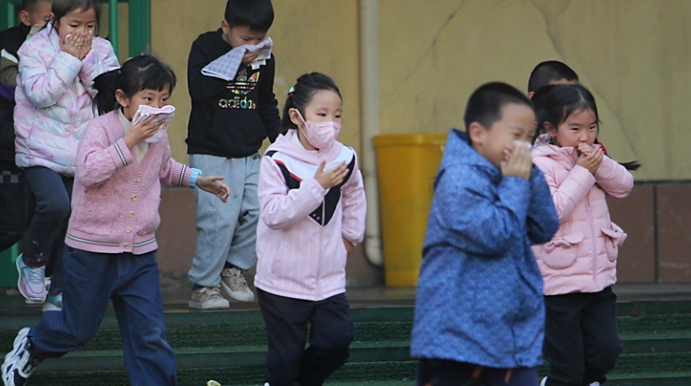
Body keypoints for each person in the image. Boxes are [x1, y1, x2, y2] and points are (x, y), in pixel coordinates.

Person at [1, 54, 231, 386]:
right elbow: (91, 171)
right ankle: (33, 344)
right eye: (148, 99)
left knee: (149, 335)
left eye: (164, 99)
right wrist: (129, 141)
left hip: (139, 255)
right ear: (123, 99)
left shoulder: (158, 136)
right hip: (91, 253)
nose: (158, 107)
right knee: (76, 329)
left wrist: (198, 179)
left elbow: (163, 168)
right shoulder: (100, 129)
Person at [410, 82, 560, 386]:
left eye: (528, 138)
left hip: (509, 336)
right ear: (478, 133)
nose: (524, 147)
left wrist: (530, 177)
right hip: (459, 340)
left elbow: (544, 227)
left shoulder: (512, 176)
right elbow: (496, 234)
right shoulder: (458, 179)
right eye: (515, 136)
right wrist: (516, 182)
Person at [254, 72, 366, 386]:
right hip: (282, 283)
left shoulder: (345, 157)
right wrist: (317, 185)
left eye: (337, 115)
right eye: (322, 114)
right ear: (297, 116)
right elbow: (275, 214)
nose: (331, 122)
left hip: (328, 280)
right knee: (285, 360)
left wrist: (350, 236)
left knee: (337, 342)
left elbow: (355, 192)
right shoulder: (276, 160)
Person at [12, 0, 119, 311]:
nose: (82, 34)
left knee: (76, 220)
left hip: (83, 152)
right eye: (73, 26)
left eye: (89, 27)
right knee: (55, 205)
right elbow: (40, 94)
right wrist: (69, 60)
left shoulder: (101, 50)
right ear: (54, 21)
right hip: (40, 149)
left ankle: (59, 289)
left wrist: (86, 61)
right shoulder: (33, 48)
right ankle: (33, 262)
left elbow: (111, 94)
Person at [531, 84, 634, 386]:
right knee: (568, 368)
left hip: (597, 279)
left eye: (591, 127)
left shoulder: (593, 158)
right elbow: (552, 211)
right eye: (574, 128)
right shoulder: (538, 163)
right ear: (551, 128)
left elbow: (623, 186)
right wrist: (584, 172)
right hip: (557, 286)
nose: (585, 136)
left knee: (607, 352)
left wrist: (597, 164)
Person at [185, 0, 282, 310]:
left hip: (249, 151)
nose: (252, 46)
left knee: (266, 209)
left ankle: (233, 268)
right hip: (210, 151)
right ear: (225, 27)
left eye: (259, 39)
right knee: (219, 220)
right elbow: (198, 90)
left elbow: (266, 101)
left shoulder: (265, 57)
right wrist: (236, 62)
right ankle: (204, 286)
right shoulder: (205, 46)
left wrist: (281, 144)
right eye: (245, 39)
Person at [0, 0, 52, 252]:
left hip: (51, 148)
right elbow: (12, 88)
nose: (51, 27)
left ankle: (53, 283)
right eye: (46, 20)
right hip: (11, 148)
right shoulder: (8, 44)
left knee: (56, 216)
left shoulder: (63, 44)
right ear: (25, 17)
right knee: (11, 226)